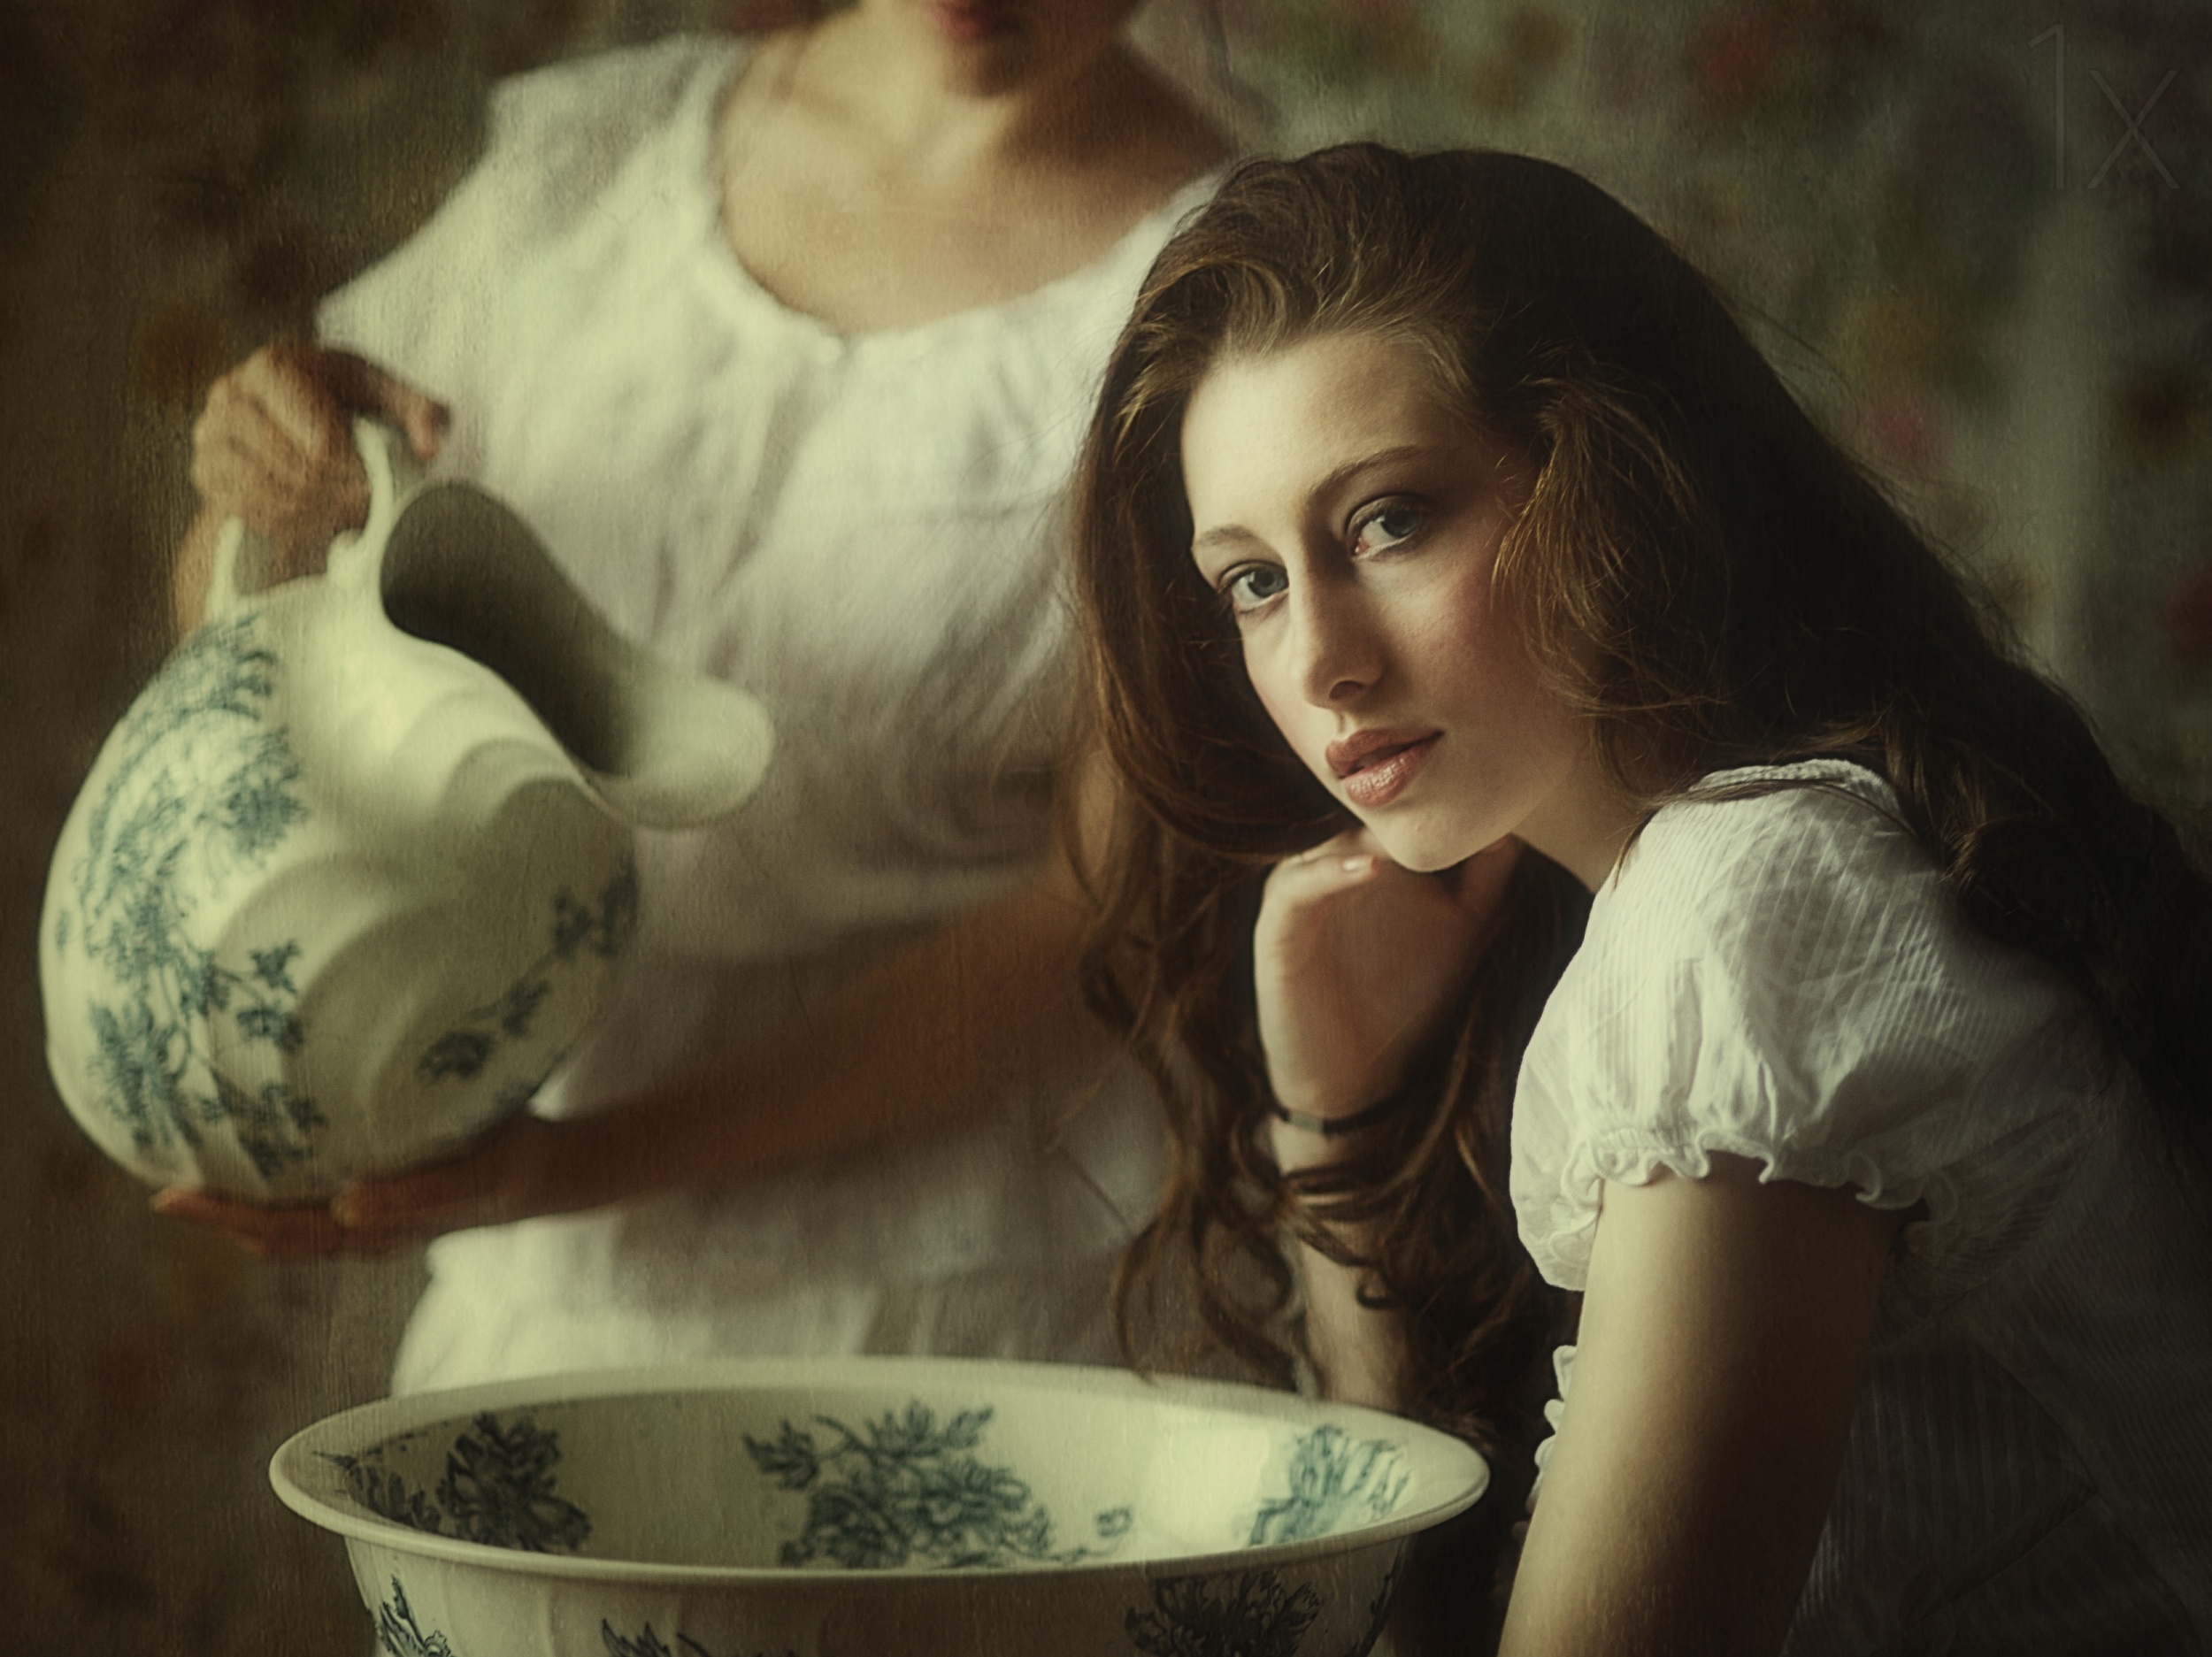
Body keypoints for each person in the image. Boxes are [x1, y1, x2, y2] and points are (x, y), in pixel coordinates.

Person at [1071, 144, 2212, 1653]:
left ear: (1609, 471)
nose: (1319, 662)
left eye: (1390, 520)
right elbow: (1417, 1619)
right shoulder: (1671, 898)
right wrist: (1333, 1116)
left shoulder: (1746, 910)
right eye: (1252, 580)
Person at [157, 0, 1234, 1389]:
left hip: (976, 1278)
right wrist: (266, 491)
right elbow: (268, 651)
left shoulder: (1228, 288)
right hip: (543, 1255)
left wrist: (574, 1162)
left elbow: (1110, 908)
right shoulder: (602, 154)